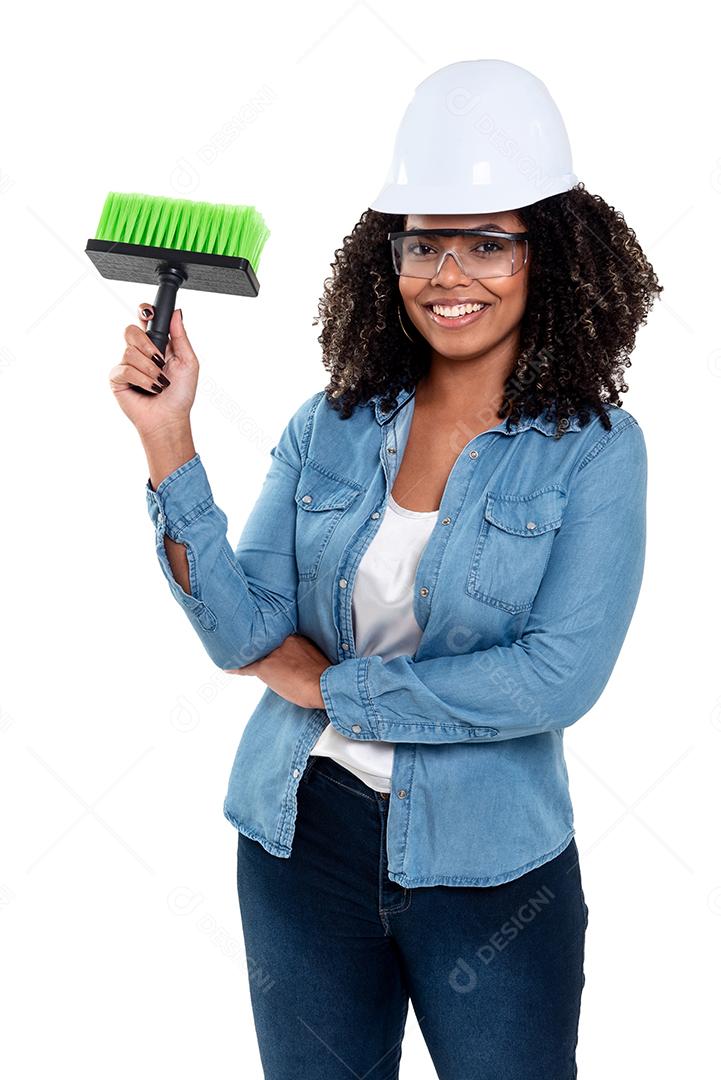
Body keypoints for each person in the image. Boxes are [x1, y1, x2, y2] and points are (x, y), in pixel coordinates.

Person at [109, 59, 662, 1080]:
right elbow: (240, 631)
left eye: (487, 243)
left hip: (492, 872)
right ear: (387, 257)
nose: (450, 275)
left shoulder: (594, 449)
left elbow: (556, 678)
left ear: (554, 256)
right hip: (297, 840)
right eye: (424, 244)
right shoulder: (331, 424)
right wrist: (169, 439)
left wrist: (335, 688)